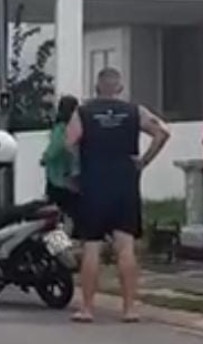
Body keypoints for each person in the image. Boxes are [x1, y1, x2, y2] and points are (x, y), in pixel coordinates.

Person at [66, 67, 170, 324]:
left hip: (94, 185)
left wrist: (76, 172)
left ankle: (87, 309)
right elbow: (162, 133)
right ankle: (129, 309)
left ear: (97, 86)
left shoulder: (83, 112)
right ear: (120, 88)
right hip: (125, 184)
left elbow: (69, 142)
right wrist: (143, 161)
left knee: (91, 247)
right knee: (126, 247)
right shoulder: (136, 111)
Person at [40, 95, 80, 223]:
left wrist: (44, 158)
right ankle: (75, 239)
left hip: (57, 178)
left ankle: (58, 241)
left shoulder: (61, 127)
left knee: (54, 215)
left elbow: (55, 148)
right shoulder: (77, 127)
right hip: (73, 177)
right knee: (74, 213)